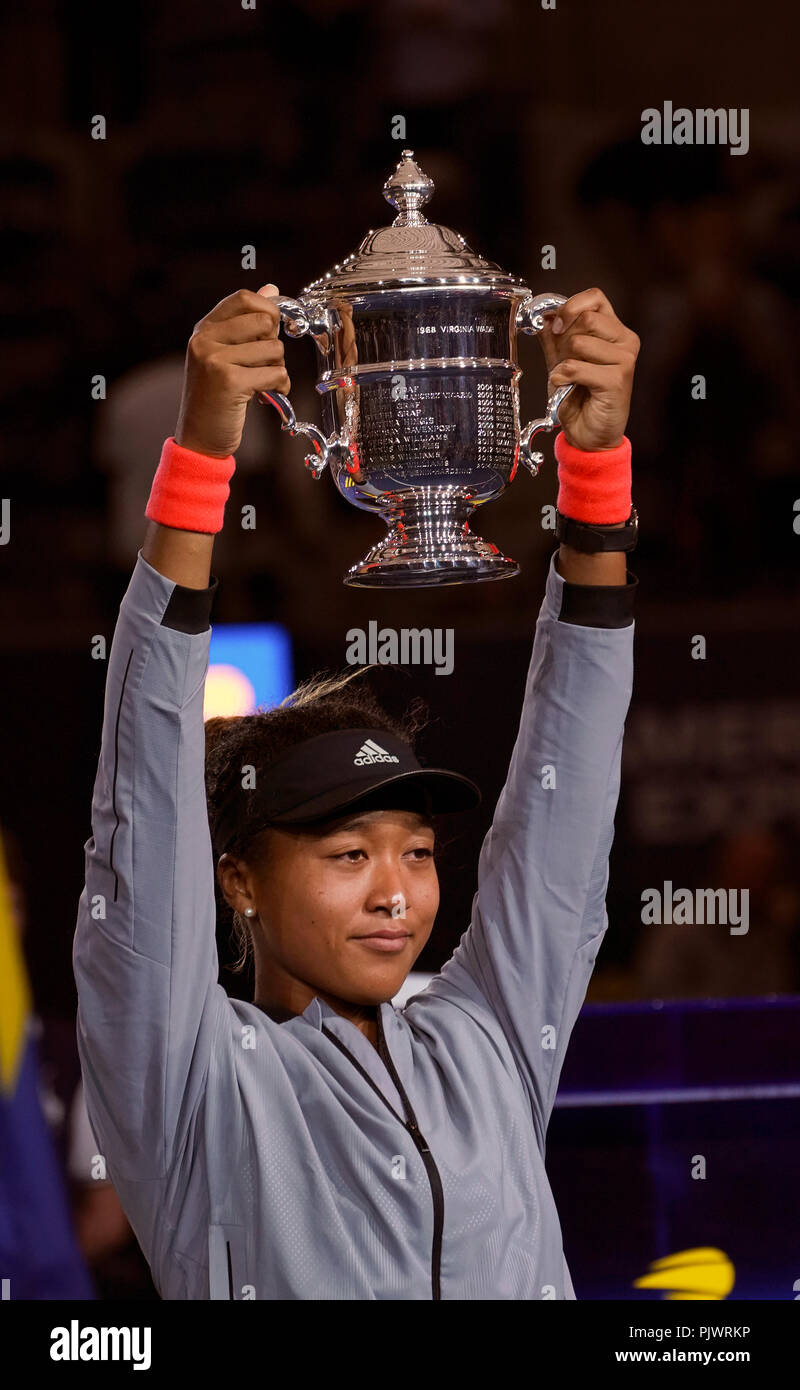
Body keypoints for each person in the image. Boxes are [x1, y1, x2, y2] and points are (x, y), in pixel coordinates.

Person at [73, 280, 640, 1299]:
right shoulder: (198, 1086)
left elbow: (567, 809)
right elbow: (142, 804)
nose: (395, 891)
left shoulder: (487, 1044)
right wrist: (202, 454)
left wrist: (593, 480)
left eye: (415, 852)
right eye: (347, 854)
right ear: (237, 878)